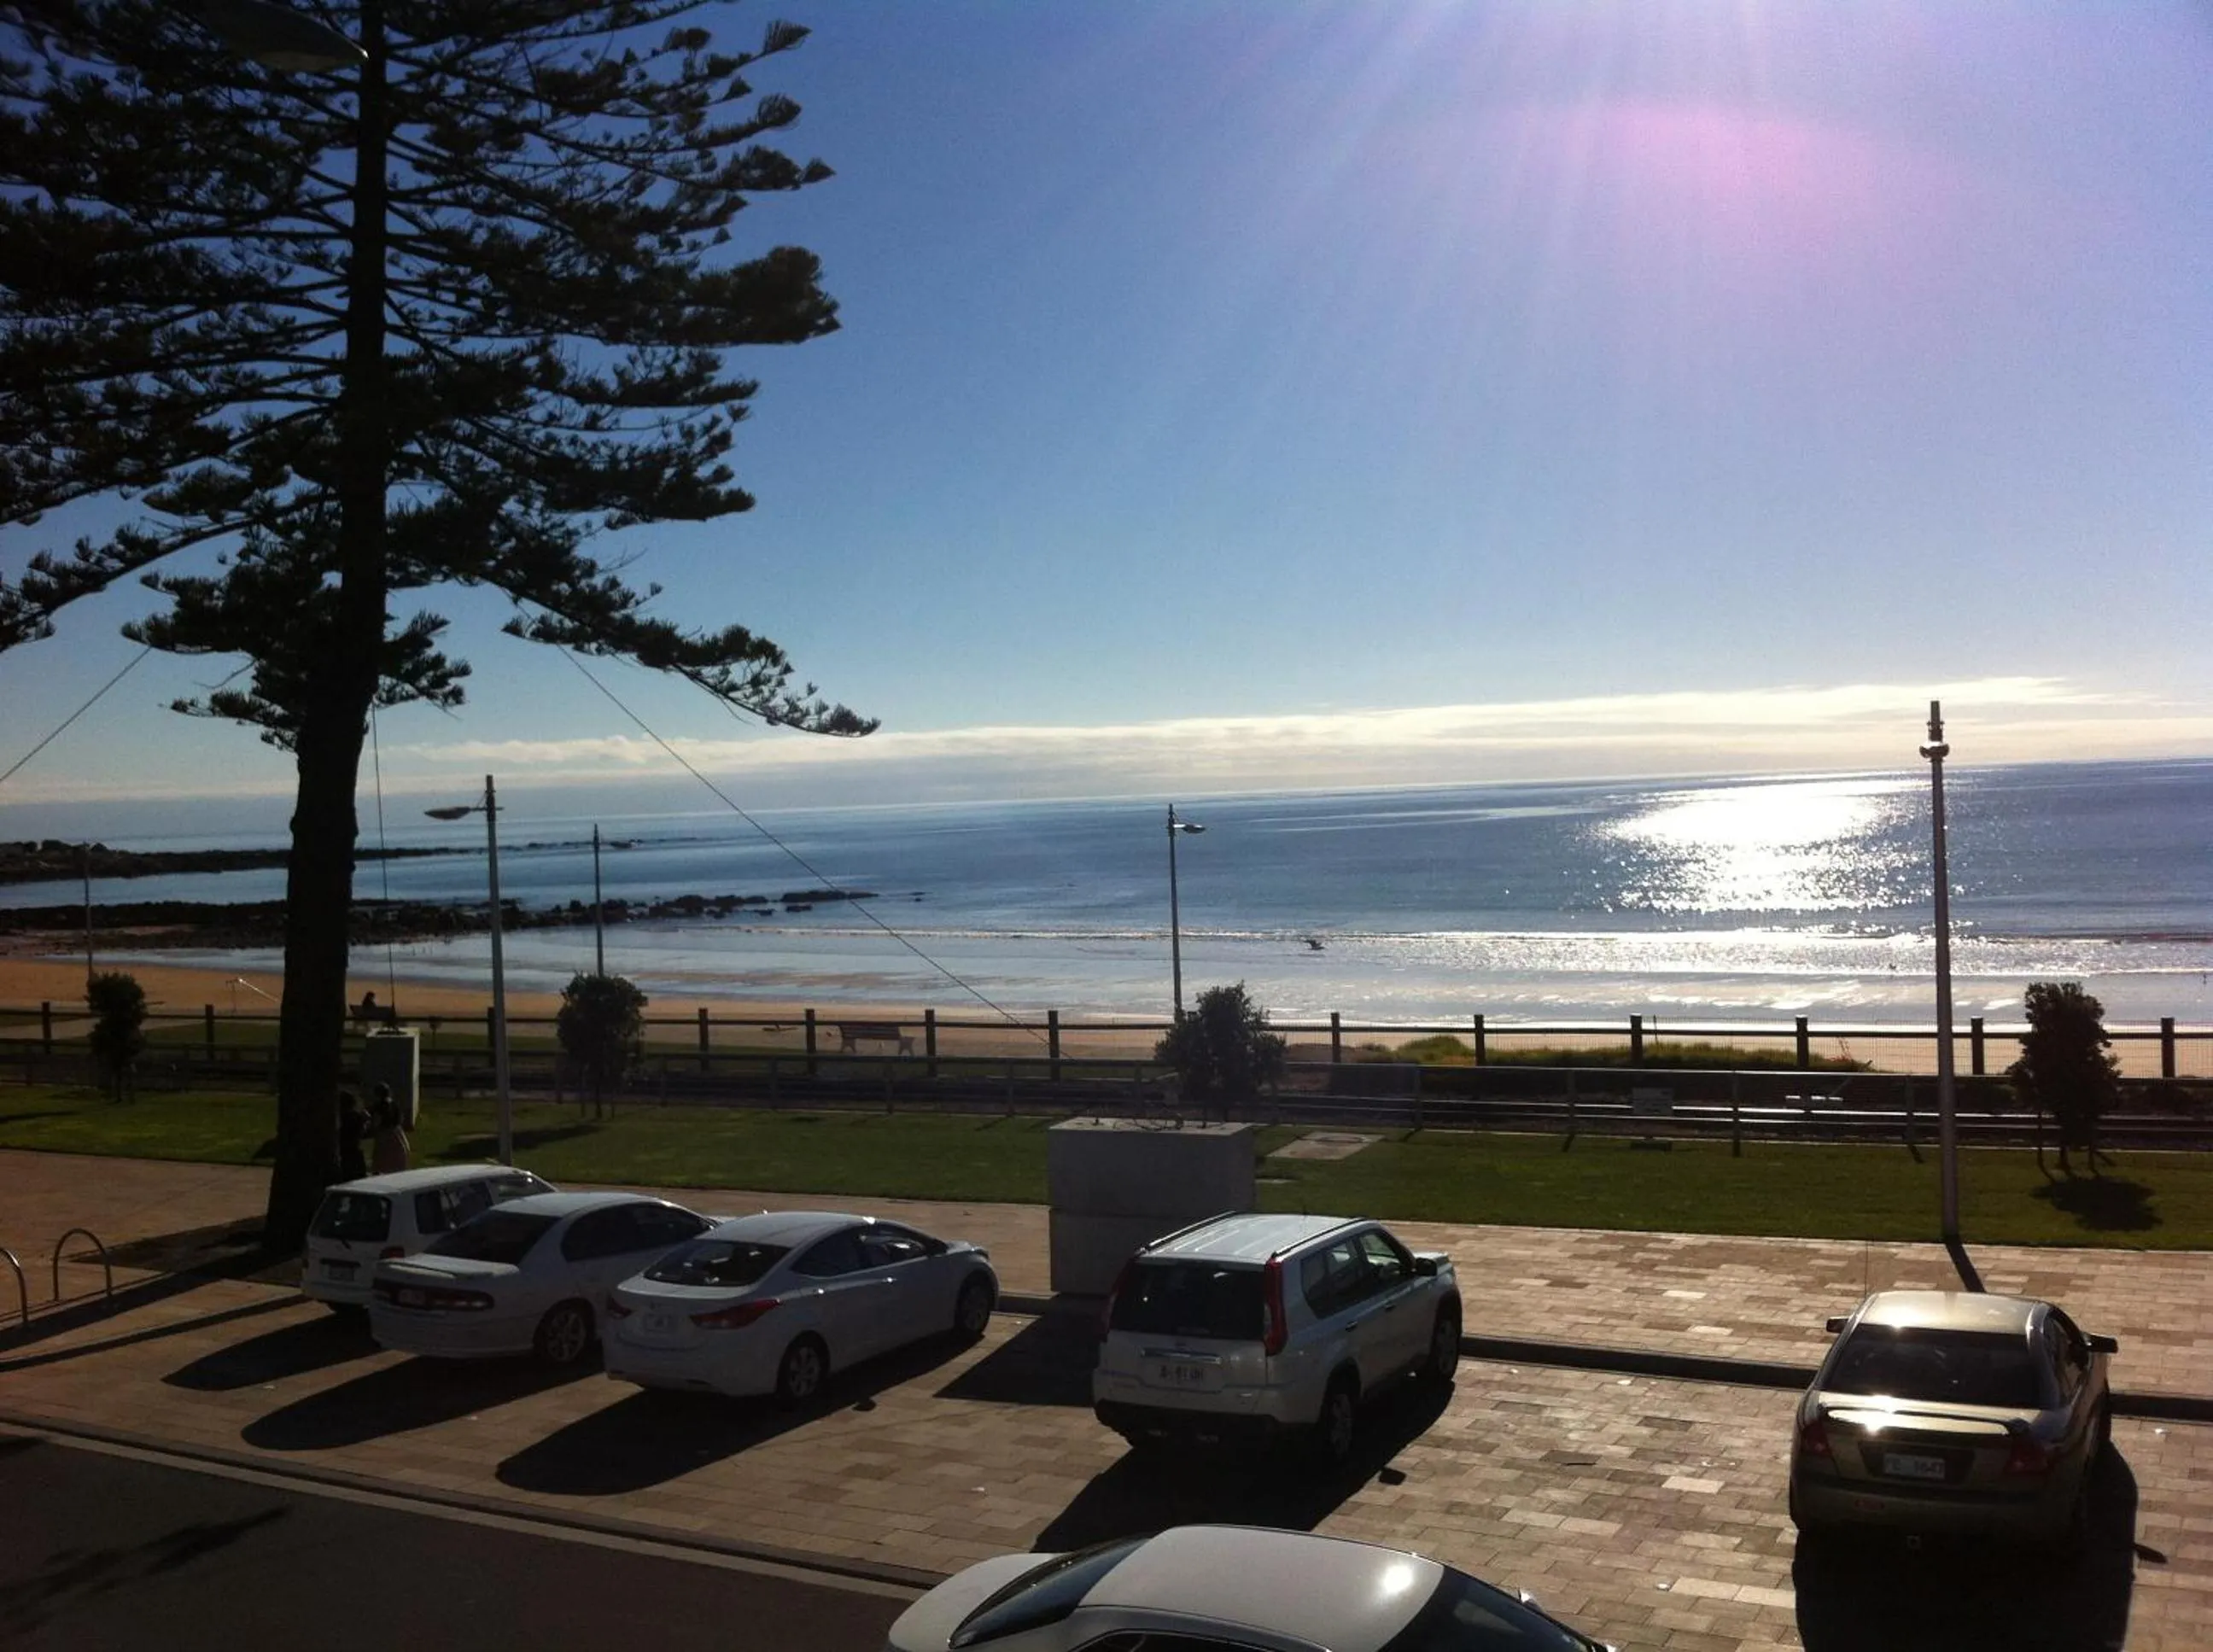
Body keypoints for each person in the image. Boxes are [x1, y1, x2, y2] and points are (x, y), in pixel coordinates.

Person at [370, 1082, 411, 1175]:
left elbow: (377, 1121)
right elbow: (400, 1118)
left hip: (385, 1133)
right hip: (396, 1132)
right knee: (397, 1157)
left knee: (382, 1158)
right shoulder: (394, 1104)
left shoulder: (379, 1106)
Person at [336, 1090, 371, 1182]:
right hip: (355, 1150)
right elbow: (362, 1131)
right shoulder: (357, 1117)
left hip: (343, 1151)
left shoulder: (340, 1117)